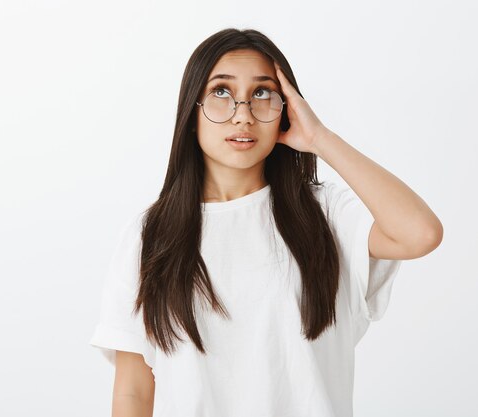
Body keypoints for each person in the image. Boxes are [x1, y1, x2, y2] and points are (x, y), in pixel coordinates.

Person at [88, 27, 443, 417]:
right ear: (192, 113)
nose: (243, 115)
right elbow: (133, 393)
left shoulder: (325, 214)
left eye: (261, 93)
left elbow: (420, 233)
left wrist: (320, 138)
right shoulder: (150, 235)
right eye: (221, 92)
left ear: (286, 109)